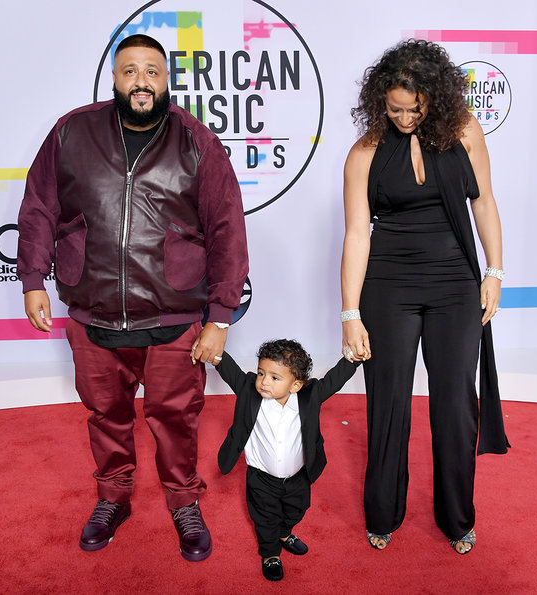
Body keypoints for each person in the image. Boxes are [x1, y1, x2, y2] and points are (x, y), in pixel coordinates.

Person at [16, 33, 248, 560]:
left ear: (167, 80)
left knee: (176, 418)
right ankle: (113, 497)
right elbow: (38, 208)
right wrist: (33, 278)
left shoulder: (196, 141)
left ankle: (184, 502)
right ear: (114, 78)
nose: (140, 81)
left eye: (152, 71)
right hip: (93, 311)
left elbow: (227, 229)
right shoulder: (72, 132)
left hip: (176, 312)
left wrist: (220, 316)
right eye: (129, 71)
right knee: (106, 415)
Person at [340, 39, 509, 555]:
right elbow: (356, 233)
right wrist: (350, 313)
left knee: (456, 404)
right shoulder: (365, 151)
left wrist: (495, 271)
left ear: (436, 97)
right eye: (394, 109)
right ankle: (383, 513)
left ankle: (458, 518)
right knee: (388, 403)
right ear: (379, 102)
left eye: (416, 108)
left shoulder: (465, 132)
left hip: (455, 281)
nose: (406, 117)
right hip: (387, 286)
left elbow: (483, 204)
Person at [215, 339, 360, 581]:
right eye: (261, 372)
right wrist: (213, 348)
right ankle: (270, 552)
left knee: (297, 510)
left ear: (295, 385)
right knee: (265, 518)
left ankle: (285, 532)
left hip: (298, 476)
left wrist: (353, 359)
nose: (263, 381)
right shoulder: (249, 391)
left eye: (274, 377)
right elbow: (227, 368)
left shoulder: (309, 396)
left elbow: (335, 380)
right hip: (261, 478)